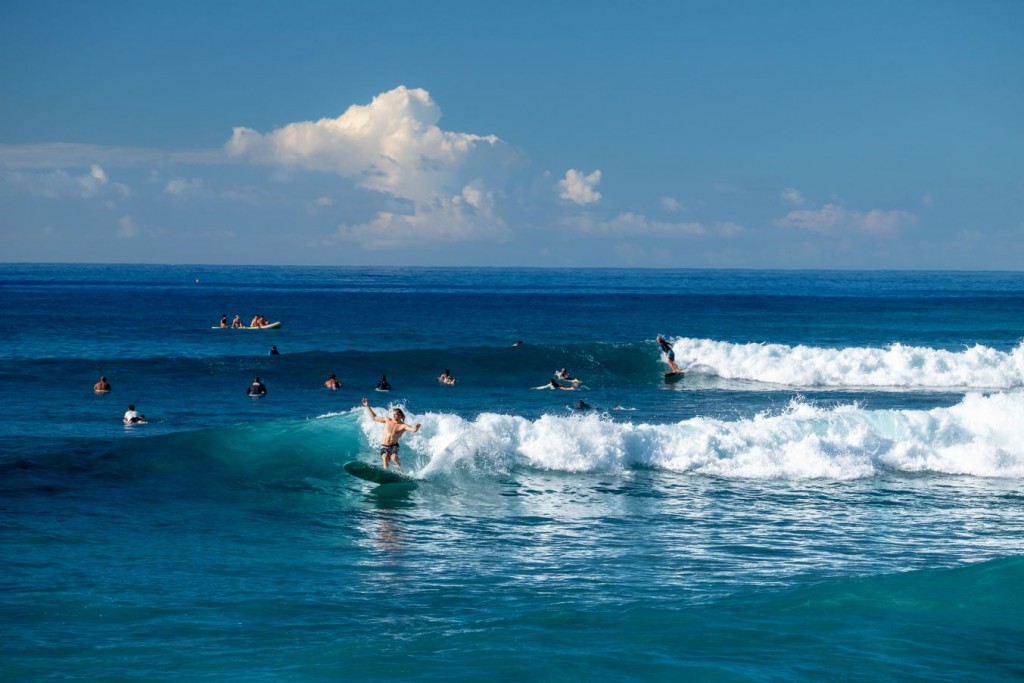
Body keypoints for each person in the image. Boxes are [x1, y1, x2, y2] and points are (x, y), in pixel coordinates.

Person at [362, 397, 421, 470]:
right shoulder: (388, 420)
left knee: (394, 458)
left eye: (395, 414)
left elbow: (412, 430)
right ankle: (385, 471)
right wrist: (367, 406)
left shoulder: (403, 426)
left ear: (400, 415)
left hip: (394, 446)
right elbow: (375, 417)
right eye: (393, 414)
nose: (393, 416)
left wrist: (416, 428)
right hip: (384, 445)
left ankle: (400, 471)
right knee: (385, 457)